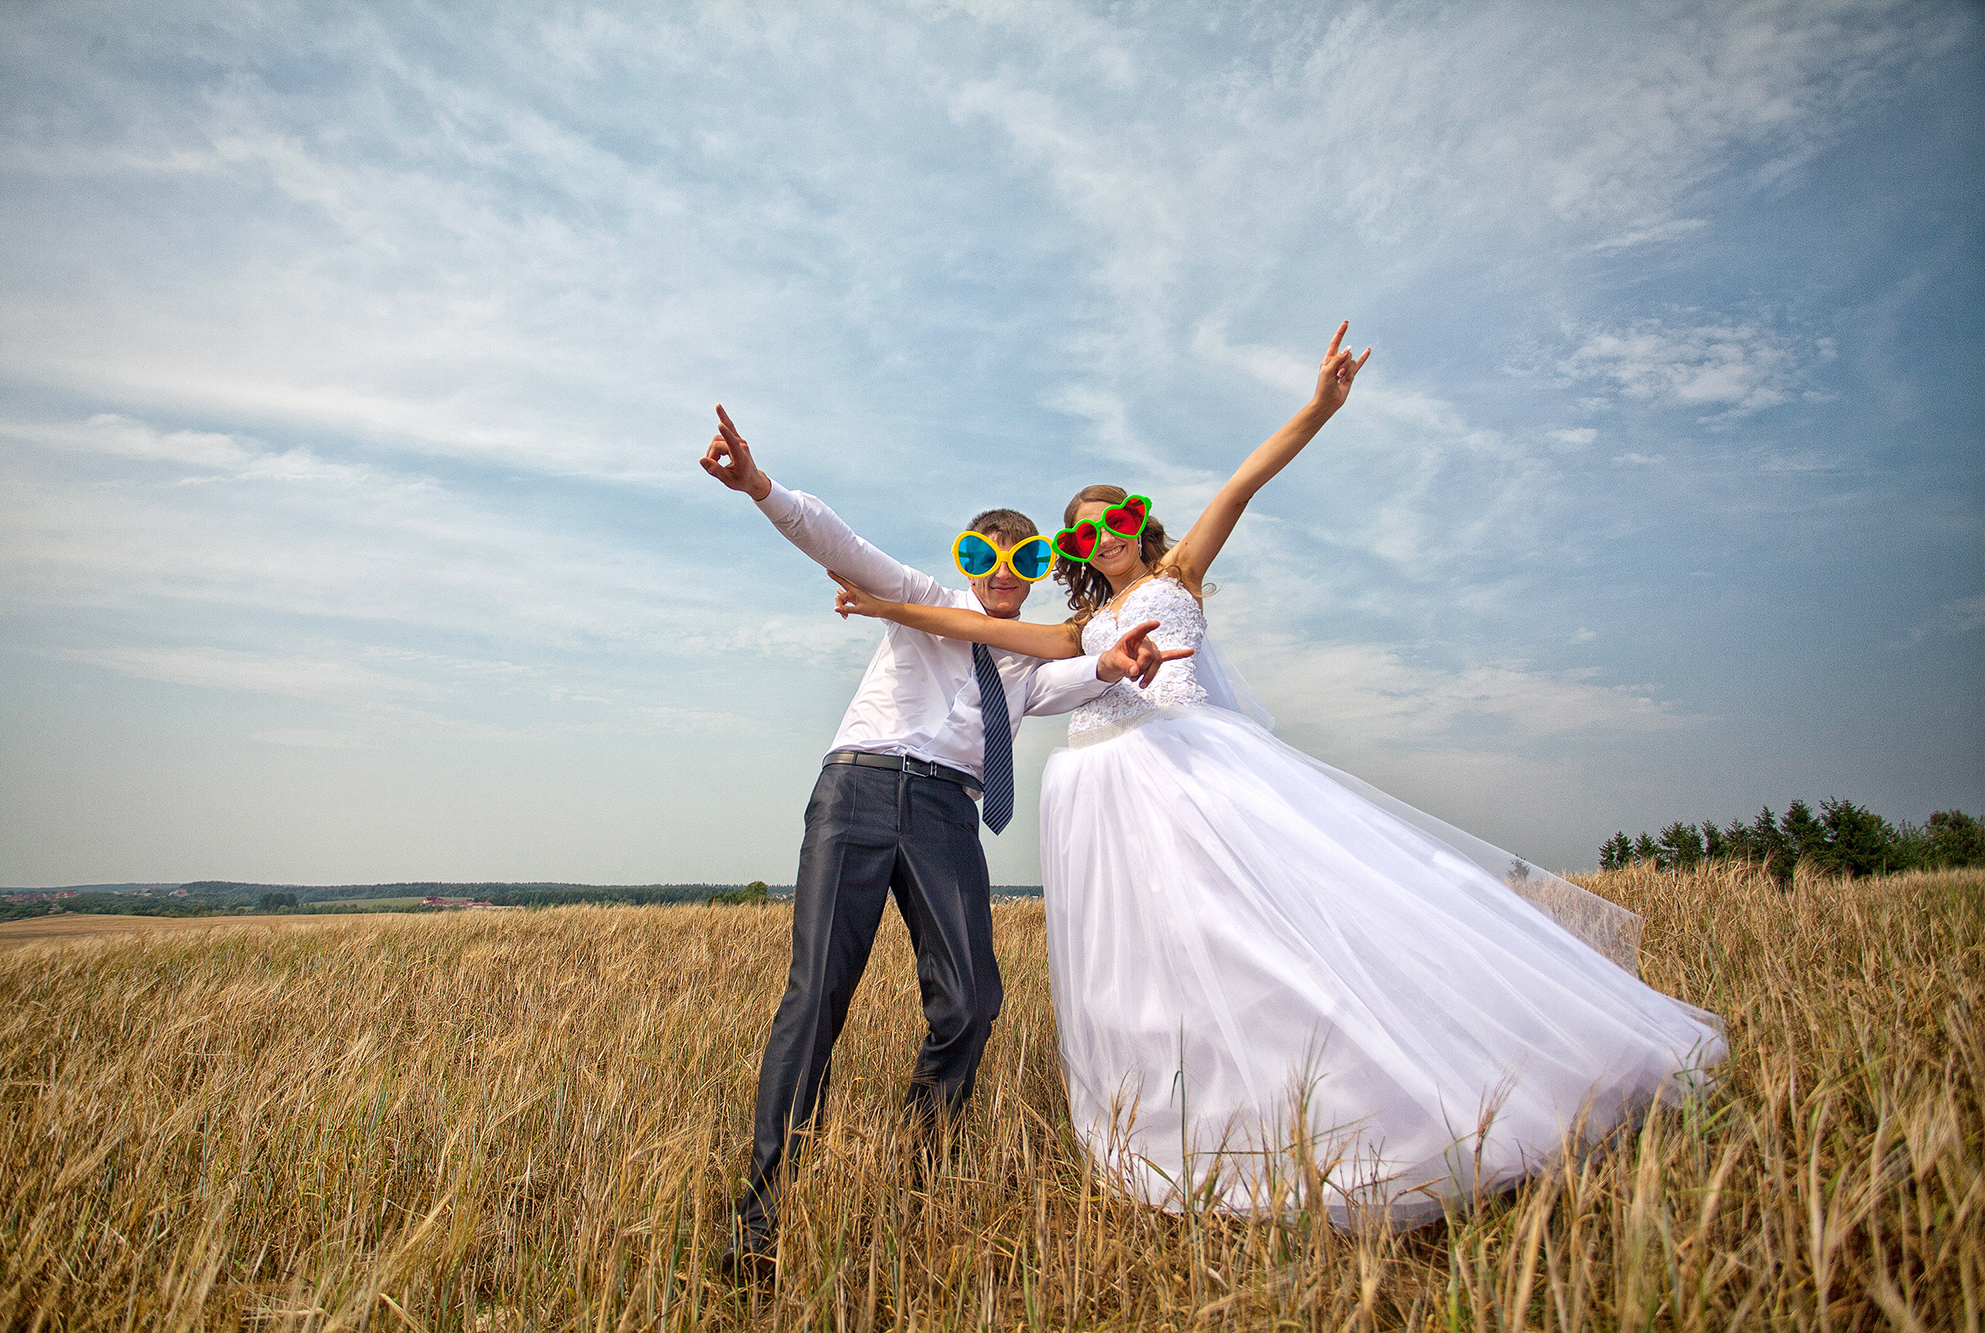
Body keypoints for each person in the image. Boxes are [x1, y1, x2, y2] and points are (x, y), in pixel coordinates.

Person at [828, 324, 1727, 1228]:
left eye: (1117, 521)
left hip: (1182, 776)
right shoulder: (1079, 630)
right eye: (1084, 531)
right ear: (1073, 548)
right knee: (1154, 971)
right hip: (1100, 802)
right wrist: (884, 605)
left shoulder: (1179, 572)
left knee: (1255, 938)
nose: (1103, 538)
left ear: (1142, 526)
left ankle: (1391, 1098)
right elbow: (982, 632)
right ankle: (1209, 1116)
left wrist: (1320, 406)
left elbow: (1243, 482)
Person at [698, 406, 1191, 1275]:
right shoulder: (921, 603)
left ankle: (914, 1167)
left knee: (973, 1001)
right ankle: (761, 1213)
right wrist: (758, 486)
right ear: (967, 560)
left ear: (1044, 569)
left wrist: (1116, 664)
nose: (1004, 573)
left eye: (1027, 560)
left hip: (945, 813)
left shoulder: (1027, 664)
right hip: (857, 786)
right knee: (816, 998)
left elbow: (1089, 673)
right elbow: (836, 539)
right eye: (986, 558)